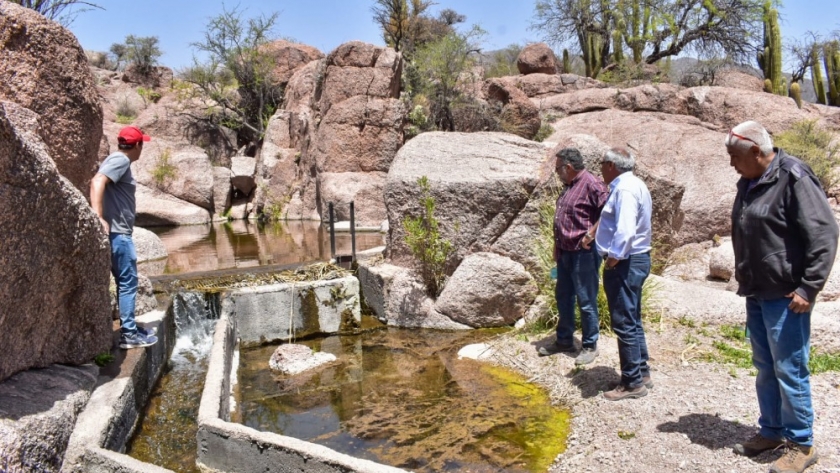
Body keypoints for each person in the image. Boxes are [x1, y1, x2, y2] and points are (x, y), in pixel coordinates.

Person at [727, 121, 837, 473]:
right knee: (765, 367)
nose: (732, 164)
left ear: (757, 152)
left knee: (790, 368)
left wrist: (809, 287)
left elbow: (824, 233)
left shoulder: (794, 176)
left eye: (735, 157)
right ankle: (772, 431)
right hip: (758, 292)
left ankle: (802, 444)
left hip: (787, 295)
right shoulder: (749, 181)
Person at [538, 148, 608, 366]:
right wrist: (556, 246)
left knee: (586, 300)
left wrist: (591, 234)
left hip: (584, 254)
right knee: (563, 296)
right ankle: (564, 340)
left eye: (558, 168)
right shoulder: (570, 186)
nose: (556, 172)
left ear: (568, 167)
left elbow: (609, 212)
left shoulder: (592, 184)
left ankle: (589, 345)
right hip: (565, 253)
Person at [90, 126, 158, 349]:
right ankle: (128, 334)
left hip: (119, 233)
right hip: (118, 235)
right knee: (128, 283)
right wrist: (98, 216)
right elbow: (97, 181)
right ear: (137, 145)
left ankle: (130, 326)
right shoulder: (120, 160)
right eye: (142, 145)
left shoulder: (118, 161)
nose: (142, 149)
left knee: (124, 282)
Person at [594, 147, 653, 401]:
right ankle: (641, 372)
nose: (600, 169)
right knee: (633, 318)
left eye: (601, 164)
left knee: (624, 322)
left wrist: (613, 259)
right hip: (635, 259)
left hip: (626, 261)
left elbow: (626, 230)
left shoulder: (625, 189)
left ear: (610, 165)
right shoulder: (634, 184)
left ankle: (632, 383)